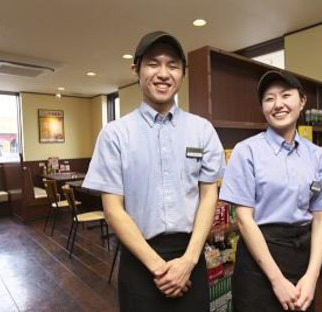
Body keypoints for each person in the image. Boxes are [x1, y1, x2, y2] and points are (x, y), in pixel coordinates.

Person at [83, 31, 225, 311]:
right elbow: (112, 209)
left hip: (191, 254)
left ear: (183, 74)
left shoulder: (202, 130)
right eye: (153, 63)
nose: (163, 73)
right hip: (140, 260)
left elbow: (209, 195)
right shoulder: (115, 134)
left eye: (172, 65)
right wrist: (160, 268)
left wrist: (188, 262)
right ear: (136, 70)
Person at [219, 70, 322, 312]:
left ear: (302, 101)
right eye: (269, 98)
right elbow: (244, 220)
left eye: (286, 95)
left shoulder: (316, 156)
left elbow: (321, 217)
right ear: (263, 107)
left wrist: (312, 277)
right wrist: (277, 281)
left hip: (301, 259)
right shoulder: (247, 151)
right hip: (258, 262)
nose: (278, 104)